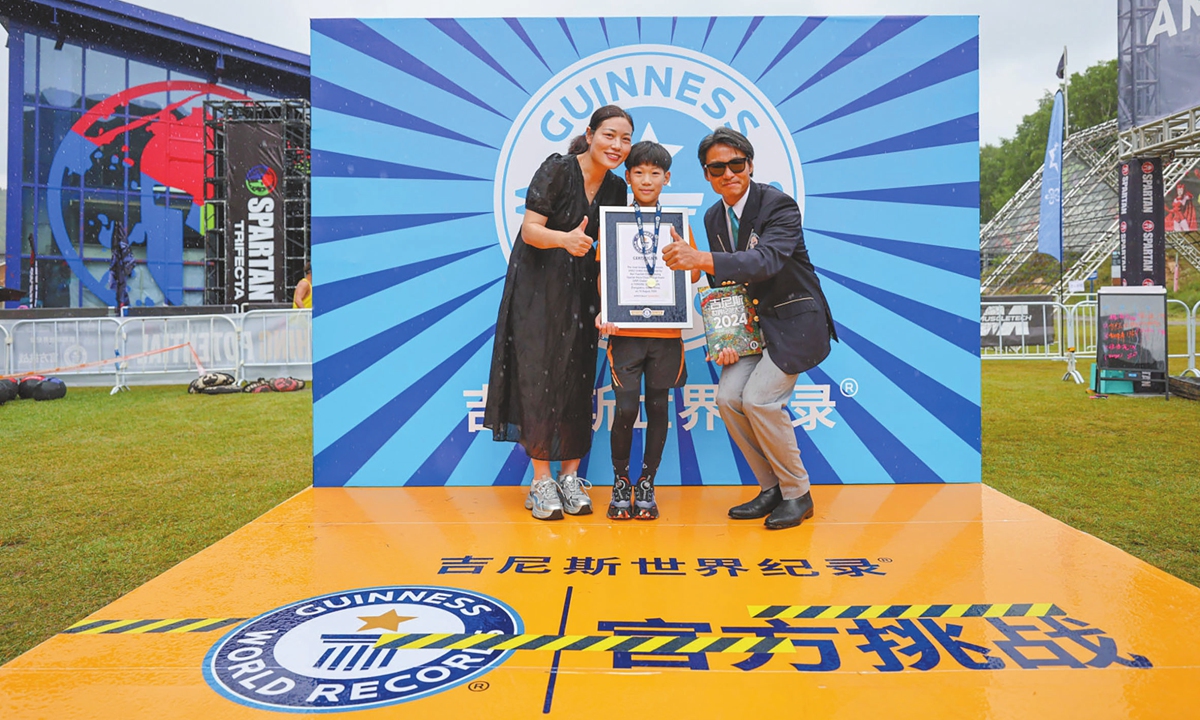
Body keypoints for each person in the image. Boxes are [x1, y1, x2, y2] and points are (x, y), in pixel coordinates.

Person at [663, 127, 837, 530]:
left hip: (795, 325)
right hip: (751, 330)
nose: (728, 173)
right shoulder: (712, 216)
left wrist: (698, 258)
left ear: (750, 165)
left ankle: (798, 493)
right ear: (707, 175)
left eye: (736, 164)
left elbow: (766, 262)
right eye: (717, 167)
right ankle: (771, 488)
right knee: (727, 398)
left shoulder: (779, 205)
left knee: (758, 400)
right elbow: (728, 286)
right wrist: (727, 340)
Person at [484, 105, 634, 521]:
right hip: (537, 290)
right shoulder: (556, 170)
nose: (617, 146)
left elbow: (614, 252)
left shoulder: (617, 189)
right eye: (609, 135)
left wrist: (615, 302)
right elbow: (529, 230)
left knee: (577, 377)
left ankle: (571, 477)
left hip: (584, 294)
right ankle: (541, 481)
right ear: (590, 135)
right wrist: (564, 240)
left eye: (624, 139)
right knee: (538, 379)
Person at [596, 141, 700, 520]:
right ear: (628, 177)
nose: (646, 179)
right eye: (639, 172)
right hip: (623, 334)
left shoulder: (677, 223)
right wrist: (605, 312)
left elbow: (693, 274)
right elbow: (604, 276)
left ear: (667, 178)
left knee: (658, 407)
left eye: (655, 173)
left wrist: (683, 259)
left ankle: (647, 483)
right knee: (624, 409)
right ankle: (620, 479)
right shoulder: (615, 222)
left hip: (666, 335)